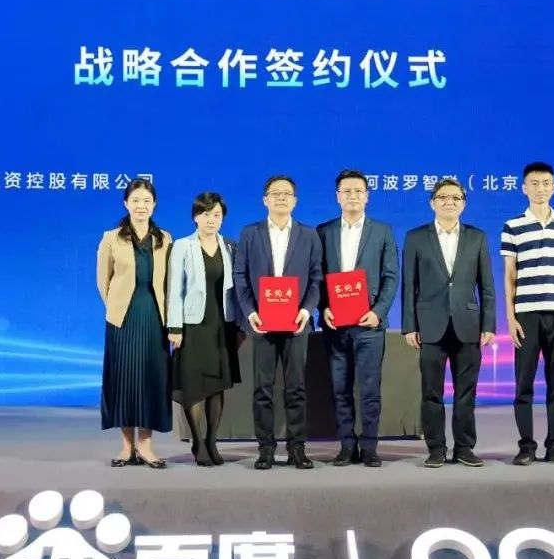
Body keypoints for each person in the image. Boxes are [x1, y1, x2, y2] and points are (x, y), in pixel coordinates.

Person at [401, 177, 496, 468]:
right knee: (431, 393)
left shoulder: (477, 237)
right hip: (430, 326)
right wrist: (409, 326)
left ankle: (464, 448)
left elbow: (486, 285)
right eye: (443, 197)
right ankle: (436, 449)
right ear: (432, 203)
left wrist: (488, 324)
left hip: (468, 325)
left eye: (456, 198)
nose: (449, 202)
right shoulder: (416, 237)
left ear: (464, 204)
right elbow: (409, 285)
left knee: (466, 392)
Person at [233, 175, 323, 470]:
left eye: (287, 193)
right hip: (262, 323)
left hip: (297, 324)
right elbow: (240, 276)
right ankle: (266, 449)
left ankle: (297, 449)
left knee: (296, 388)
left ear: (295, 200)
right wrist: (251, 312)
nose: (281, 197)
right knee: (263, 389)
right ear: (265, 200)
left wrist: (306, 311)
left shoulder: (309, 235)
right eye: (275, 193)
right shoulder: (250, 233)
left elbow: (316, 277)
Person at [501, 161, 554, 466]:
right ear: (524, 188)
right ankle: (526, 446)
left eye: (546, 183)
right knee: (524, 383)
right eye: (534, 183)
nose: (540, 188)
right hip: (526, 315)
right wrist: (510, 317)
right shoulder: (513, 226)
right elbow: (510, 274)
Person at [316, 169, 399, 467]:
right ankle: (347, 446)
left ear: (367, 196)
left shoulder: (383, 231)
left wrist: (378, 313)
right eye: (347, 191)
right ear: (337, 196)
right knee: (340, 389)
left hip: (369, 325)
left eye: (358, 191)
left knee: (369, 390)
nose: (353, 196)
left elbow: (391, 277)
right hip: (335, 325)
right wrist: (322, 307)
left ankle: (370, 447)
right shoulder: (323, 231)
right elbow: (317, 276)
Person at [96, 178, 173, 469]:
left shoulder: (165, 239)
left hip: (155, 316)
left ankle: (146, 446)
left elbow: (169, 281)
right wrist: (116, 307)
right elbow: (103, 280)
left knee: (152, 379)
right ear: (126, 203)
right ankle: (127, 446)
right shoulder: (111, 238)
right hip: (123, 318)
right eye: (136, 200)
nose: (141, 206)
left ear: (154, 205)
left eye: (147, 201)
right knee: (124, 380)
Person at [166, 192, 243, 467]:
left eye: (217, 215)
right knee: (194, 386)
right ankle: (197, 442)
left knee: (216, 386)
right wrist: (174, 327)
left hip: (221, 325)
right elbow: (174, 289)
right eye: (206, 214)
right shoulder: (182, 246)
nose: (212, 220)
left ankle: (212, 440)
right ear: (195, 217)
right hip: (192, 326)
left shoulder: (230, 246)